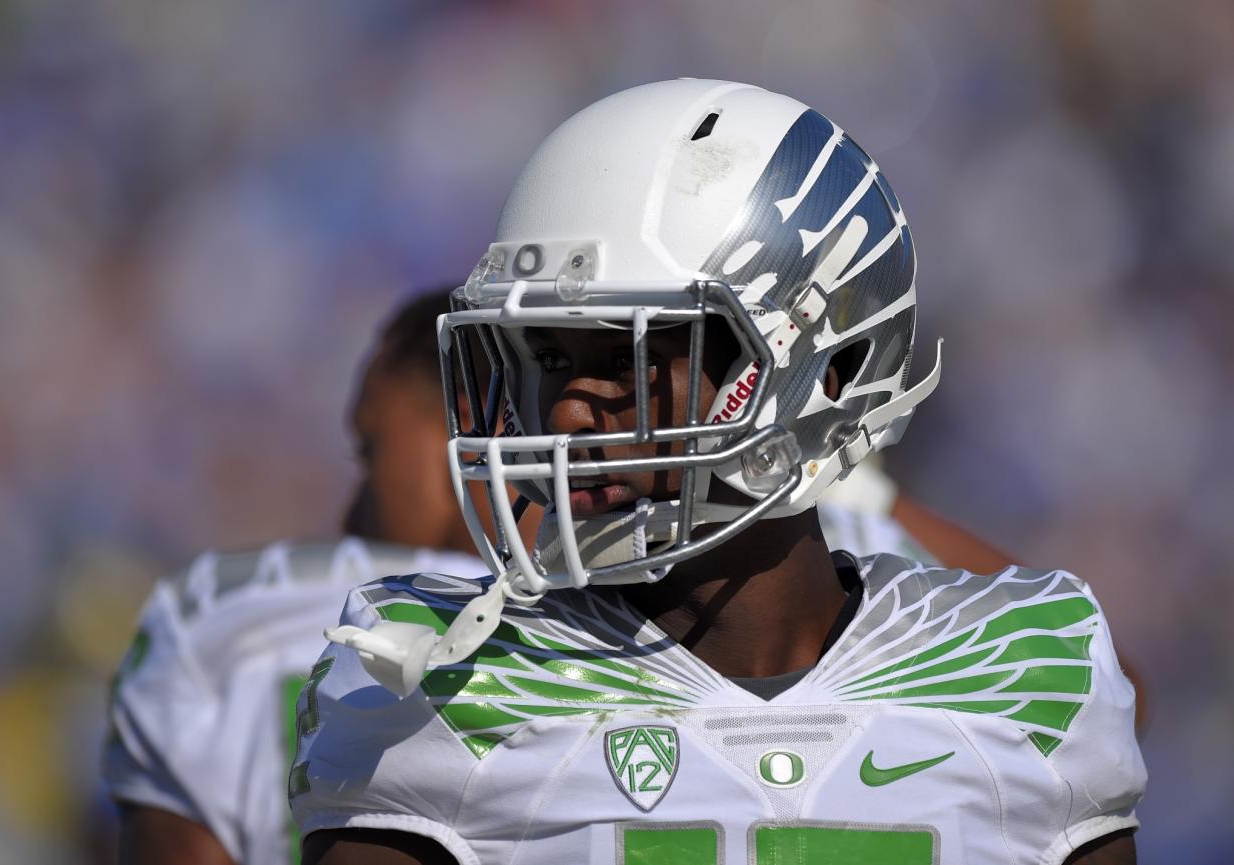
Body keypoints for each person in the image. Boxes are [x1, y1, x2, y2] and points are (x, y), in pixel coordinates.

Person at [292, 80, 1146, 865]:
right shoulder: (447, 680)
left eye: (630, 359)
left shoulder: (1021, 669)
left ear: (824, 368)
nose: (562, 412)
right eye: (548, 359)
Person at [101, 291, 507, 865]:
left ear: (468, 427)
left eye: (371, 453)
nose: (349, 513)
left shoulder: (220, 621)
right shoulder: (632, 631)